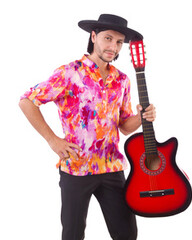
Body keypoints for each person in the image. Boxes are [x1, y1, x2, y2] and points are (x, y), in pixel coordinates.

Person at [18, 14, 155, 240]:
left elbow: (124, 126)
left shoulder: (122, 80)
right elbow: (27, 101)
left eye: (119, 42)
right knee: (72, 234)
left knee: (127, 234)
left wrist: (141, 117)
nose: (113, 47)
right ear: (93, 36)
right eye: (108, 38)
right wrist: (53, 140)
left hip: (112, 167)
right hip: (77, 168)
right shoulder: (69, 73)